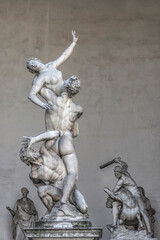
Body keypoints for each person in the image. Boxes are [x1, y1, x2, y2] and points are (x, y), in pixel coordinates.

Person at [20, 130, 88, 215]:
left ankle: (65, 202)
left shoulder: (44, 151)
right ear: (26, 159)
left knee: (83, 209)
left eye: (31, 148)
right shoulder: (34, 174)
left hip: (70, 188)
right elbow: (42, 188)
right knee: (41, 191)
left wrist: (35, 139)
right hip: (57, 191)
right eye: (30, 150)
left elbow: (56, 134)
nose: (33, 150)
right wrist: (51, 196)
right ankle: (52, 212)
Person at [27, 31, 78, 110]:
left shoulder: (52, 65)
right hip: (62, 92)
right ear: (33, 71)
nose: (33, 65)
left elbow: (64, 55)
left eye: (33, 62)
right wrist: (43, 105)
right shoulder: (41, 77)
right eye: (31, 66)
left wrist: (73, 42)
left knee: (73, 81)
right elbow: (31, 95)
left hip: (68, 89)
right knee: (72, 80)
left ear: (38, 60)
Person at [110, 158, 152, 236]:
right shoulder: (125, 172)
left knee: (142, 211)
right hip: (128, 196)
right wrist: (118, 161)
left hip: (135, 195)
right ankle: (114, 223)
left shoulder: (121, 180)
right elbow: (125, 165)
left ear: (119, 172)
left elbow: (114, 191)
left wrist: (108, 191)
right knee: (115, 204)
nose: (115, 174)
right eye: (114, 173)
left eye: (116, 173)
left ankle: (149, 230)